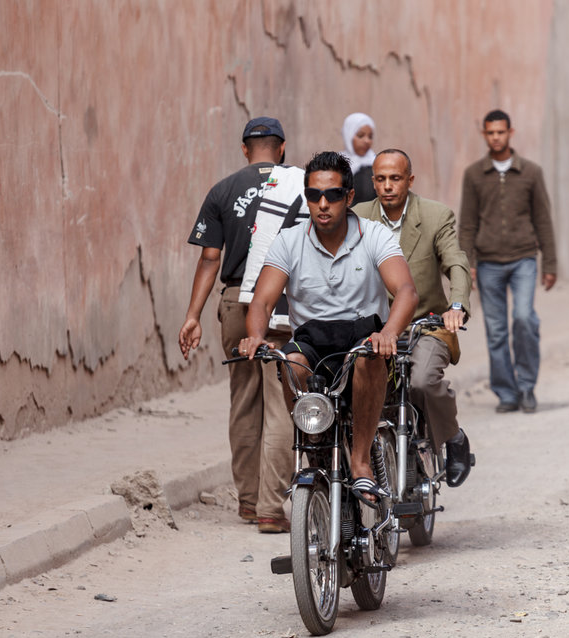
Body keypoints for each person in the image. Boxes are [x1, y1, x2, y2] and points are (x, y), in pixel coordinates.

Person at [240, 151, 418, 503]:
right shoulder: (289, 240)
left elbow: (406, 292)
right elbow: (261, 301)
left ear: (349, 197)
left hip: (362, 336)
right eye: (313, 195)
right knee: (290, 364)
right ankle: (314, 449)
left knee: (368, 357)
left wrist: (387, 334)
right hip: (312, 340)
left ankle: (361, 461)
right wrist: (256, 337)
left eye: (333, 195)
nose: (322, 204)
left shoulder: (374, 236)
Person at [178, 117, 295, 534]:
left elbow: (210, 258)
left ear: (245, 149)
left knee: (244, 400)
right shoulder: (301, 185)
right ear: (281, 148)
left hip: (236, 301)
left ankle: (248, 503)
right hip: (284, 302)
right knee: (283, 402)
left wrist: (193, 315)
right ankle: (271, 508)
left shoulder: (223, 189)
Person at [352, 149, 474, 487]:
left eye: (395, 178)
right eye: (380, 179)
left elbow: (456, 263)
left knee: (421, 382)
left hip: (427, 324)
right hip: (375, 329)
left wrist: (457, 305)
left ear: (410, 180)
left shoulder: (435, 216)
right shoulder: (357, 218)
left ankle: (453, 438)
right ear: (373, 181)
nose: (388, 186)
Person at [459, 109, 557, 415]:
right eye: (491, 133)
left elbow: (543, 219)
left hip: (524, 259)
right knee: (496, 329)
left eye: (501, 132)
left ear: (510, 133)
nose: (496, 137)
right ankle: (506, 392)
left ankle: (527, 386)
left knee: (525, 319)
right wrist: (466, 265)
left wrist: (550, 264)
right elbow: (467, 223)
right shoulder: (474, 174)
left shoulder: (530, 172)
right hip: (488, 263)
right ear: (485, 135)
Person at [340, 112, 377, 205]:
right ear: (348, 134)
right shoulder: (336, 164)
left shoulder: (376, 165)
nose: (367, 141)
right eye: (360, 135)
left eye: (370, 137)